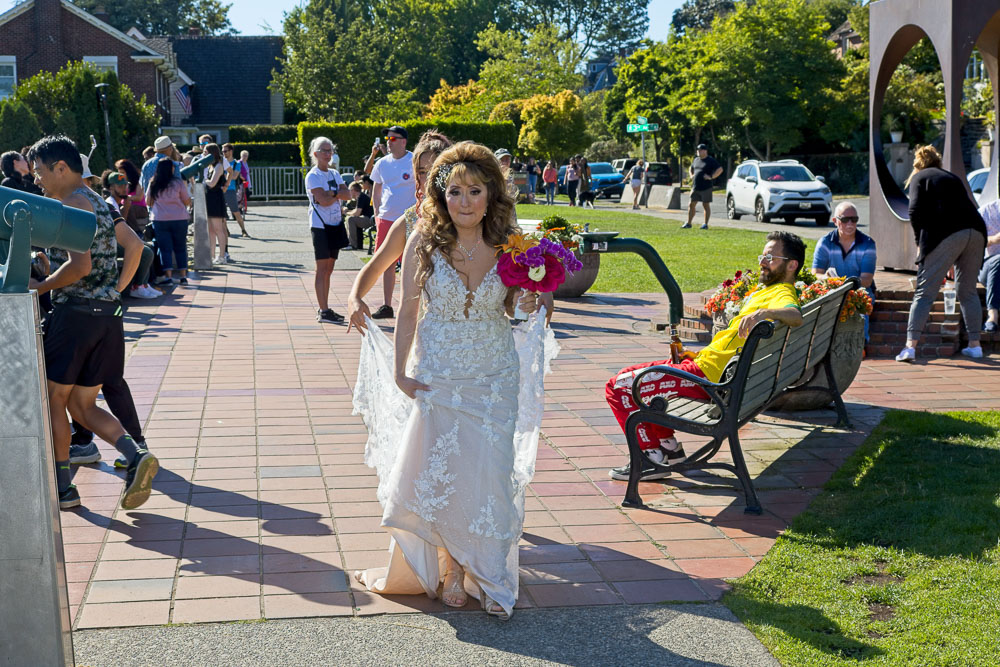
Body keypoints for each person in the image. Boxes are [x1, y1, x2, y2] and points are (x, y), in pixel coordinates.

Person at [353, 141, 544, 621]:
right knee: (446, 471)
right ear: (441, 194)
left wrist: (532, 298)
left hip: (495, 372)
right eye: (454, 191)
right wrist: (401, 369)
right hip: (439, 372)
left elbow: (518, 304)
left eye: (474, 191)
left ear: (490, 195)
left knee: (489, 472)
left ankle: (487, 571)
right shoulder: (423, 238)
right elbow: (410, 308)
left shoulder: (511, 242)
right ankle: (454, 571)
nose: (464, 201)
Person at [605, 231, 805, 480]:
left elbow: (795, 316)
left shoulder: (782, 294)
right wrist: (697, 354)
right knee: (628, 378)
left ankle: (649, 458)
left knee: (619, 387)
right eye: (762, 255)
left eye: (770, 256)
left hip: (707, 379)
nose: (762, 261)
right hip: (702, 366)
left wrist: (763, 313)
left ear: (791, 264)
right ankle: (669, 449)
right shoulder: (766, 290)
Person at [27, 135, 156, 510]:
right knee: (84, 405)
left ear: (61, 168)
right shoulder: (99, 201)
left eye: (39, 172)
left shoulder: (69, 204)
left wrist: (42, 286)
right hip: (107, 317)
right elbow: (134, 246)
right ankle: (135, 456)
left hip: (75, 317)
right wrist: (113, 289)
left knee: (55, 398)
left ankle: (64, 488)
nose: (37, 180)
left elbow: (80, 267)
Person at [347, 130, 453, 333]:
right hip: (428, 328)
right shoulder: (410, 220)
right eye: (422, 172)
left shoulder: (472, 215)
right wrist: (355, 297)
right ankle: (387, 303)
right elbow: (375, 265)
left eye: (437, 170)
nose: (429, 178)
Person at [896, 145, 987, 361]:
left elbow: (914, 211)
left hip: (949, 233)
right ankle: (975, 345)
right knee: (968, 291)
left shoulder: (920, 177)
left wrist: (920, 245)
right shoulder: (950, 177)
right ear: (938, 161)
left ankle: (910, 346)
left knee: (924, 292)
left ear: (917, 164)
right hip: (976, 231)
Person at [370, 125, 417, 319]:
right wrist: (377, 214)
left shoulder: (414, 160)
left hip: (411, 219)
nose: (388, 143)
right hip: (387, 219)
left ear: (403, 141)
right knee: (386, 262)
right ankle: (387, 305)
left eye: (392, 139)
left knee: (412, 262)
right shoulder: (382, 163)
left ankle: (412, 304)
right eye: (387, 139)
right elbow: (376, 189)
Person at [812, 201, 877, 340]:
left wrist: (846, 285)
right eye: (845, 219)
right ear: (835, 221)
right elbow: (816, 274)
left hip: (858, 290)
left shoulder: (868, 244)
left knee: (860, 304)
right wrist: (827, 279)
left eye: (854, 220)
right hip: (832, 289)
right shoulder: (825, 243)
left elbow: (866, 280)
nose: (850, 224)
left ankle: (861, 343)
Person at [306, 135, 350, 323]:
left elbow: (347, 194)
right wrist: (334, 195)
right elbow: (321, 201)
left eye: (330, 150)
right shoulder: (313, 176)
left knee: (330, 268)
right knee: (321, 268)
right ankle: (323, 309)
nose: (328, 153)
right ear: (315, 154)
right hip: (320, 225)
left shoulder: (334, 174)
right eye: (324, 150)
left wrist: (331, 194)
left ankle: (326, 308)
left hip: (336, 223)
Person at [102, 170, 158, 299]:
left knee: (149, 248)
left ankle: (144, 284)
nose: (124, 189)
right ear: (111, 187)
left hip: (118, 241)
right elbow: (117, 228)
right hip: (110, 242)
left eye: (125, 185)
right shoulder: (109, 203)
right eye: (120, 186)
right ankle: (137, 286)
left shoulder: (120, 202)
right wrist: (126, 209)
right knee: (146, 252)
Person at [146, 158, 192, 287]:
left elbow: (148, 202)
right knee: (180, 248)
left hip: (160, 219)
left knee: (165, 249)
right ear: (171, 169)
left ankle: (169, 277)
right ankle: (183, 276)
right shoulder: (177, 183)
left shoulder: (153, 183)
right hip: (179, 218)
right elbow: (187, 200)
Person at [203, 143, 230, 265]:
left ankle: (222, 255)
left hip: (216, 198)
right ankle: (212, 255)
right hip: (209, 198)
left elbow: (212, 183)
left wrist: (202, 181)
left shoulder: (219, 166)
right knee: (210, 230)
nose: (203, 154)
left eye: (205, 152)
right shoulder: (210, 167)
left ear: (211, 153)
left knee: (219, 229)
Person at [685, 144, 722, 229]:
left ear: (705, 151)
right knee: (691, 204)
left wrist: (711, 177)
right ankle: (689, 223)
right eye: (698, 150)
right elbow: (691, 168)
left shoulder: (710, 160)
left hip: (706, 187)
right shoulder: (696, 160)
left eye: (700, 150)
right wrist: (691, 175)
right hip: (695, 186)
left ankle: (705, 224)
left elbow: (720, 169)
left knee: (705, 205)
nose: (698, 151)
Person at [976, 198, 1000, 333]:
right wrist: (994, 239)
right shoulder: (987, 211)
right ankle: (992, 316)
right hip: (989, 266)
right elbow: (973, 240)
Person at [221, 144, 249, 237]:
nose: (223, 153)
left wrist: (222, 174)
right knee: (221, 213)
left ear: (231, 151)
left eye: (225, 151)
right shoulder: (220, 162)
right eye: (222, 151)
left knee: (235, 211)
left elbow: (234, 176)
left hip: (230, 190)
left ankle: (243, 230)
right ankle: (226, 230)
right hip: (220, 190)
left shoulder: (236, 163)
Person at [115, 158, 148, 232]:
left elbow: (139, 197)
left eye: (123, 173)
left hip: (140, 209)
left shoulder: (138, 182)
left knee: (128, 208)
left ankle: (136, 231)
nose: (121, 176)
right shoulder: (123, 183)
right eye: (119, 173)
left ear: (128, 172)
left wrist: (127, 198)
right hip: (126, 205)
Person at [345, 181, 375, 250]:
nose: (349, 192)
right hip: (367, 218)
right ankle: (349, 242)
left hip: (369, 220)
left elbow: (357, 213)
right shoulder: (360, 197)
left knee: (350, 219)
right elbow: (356, 211)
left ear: (353, 190)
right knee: (348, 218)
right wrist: (348, 212)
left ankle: (353, 244)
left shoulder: (361, 197)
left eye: (350, 190)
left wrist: (346, 212)